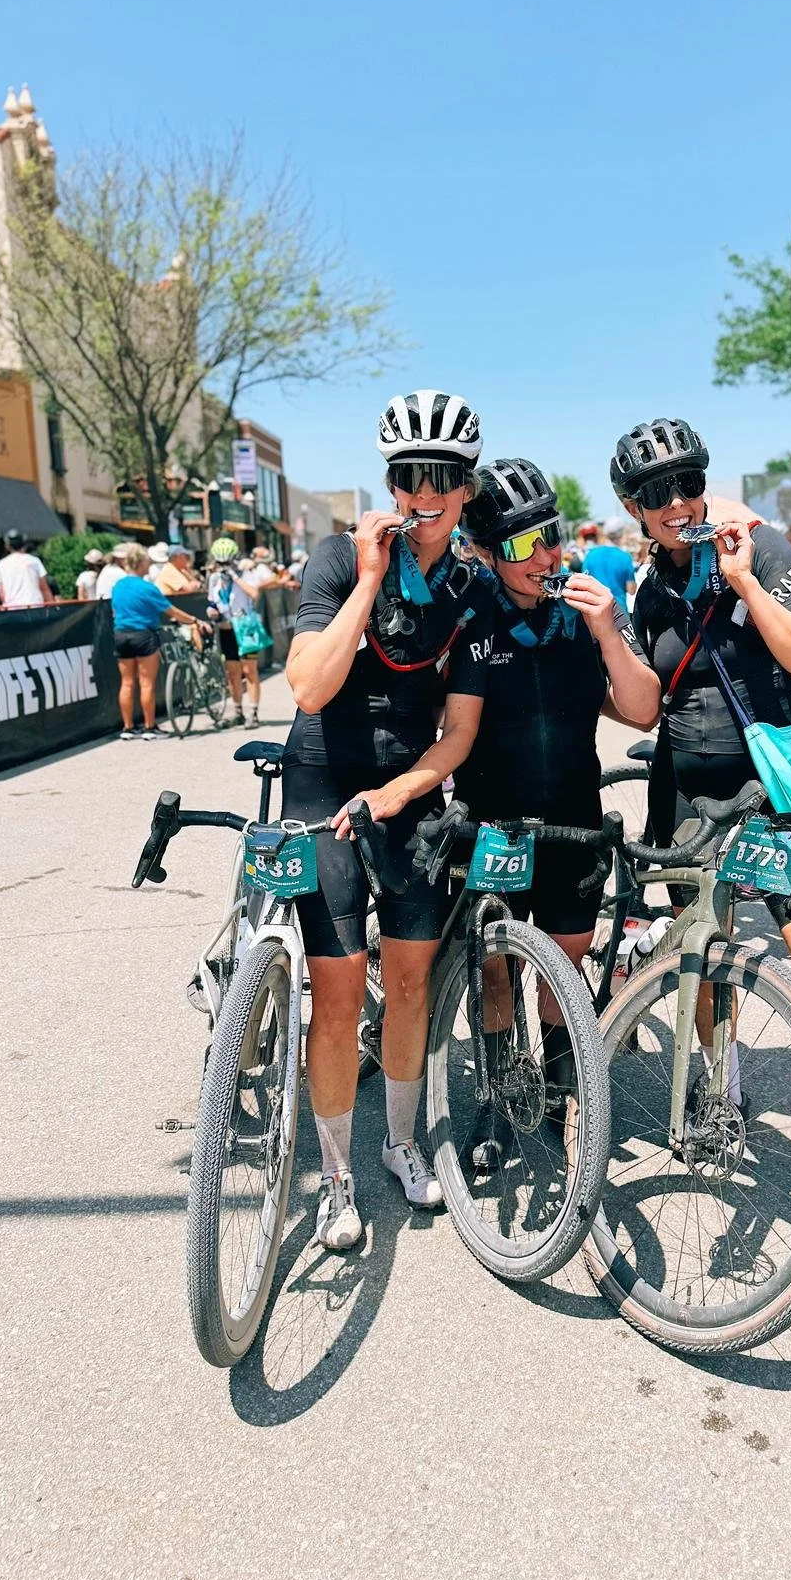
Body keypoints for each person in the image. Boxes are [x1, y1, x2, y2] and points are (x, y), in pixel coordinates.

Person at [612, 416, 791, 1230]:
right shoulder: (650, 587)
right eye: (657, 493)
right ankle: (722, 1092)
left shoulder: (761, 550)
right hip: (685, 792)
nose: (677, 503)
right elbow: (645, 701)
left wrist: (742, 583)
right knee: (703, 961)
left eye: (688, 484)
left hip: (777, 791)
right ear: (633, 507)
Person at [283, 390, 495, 1251]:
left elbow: (461, 733)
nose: (425, 491)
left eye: (442, 475)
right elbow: (308, 686)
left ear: (467, 487)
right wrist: (370, 579)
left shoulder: (471, 587)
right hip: (323, 779)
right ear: (392, 484)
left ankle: (400, 1143)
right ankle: (336, 1176)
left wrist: (401, 792)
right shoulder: (339, 558)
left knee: (409, 984)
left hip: (407, 788)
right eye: (410, 475)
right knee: (338, 992)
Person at [454, 458, 659, 1076]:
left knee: (562, 970)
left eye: (551, 536)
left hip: (573, 819)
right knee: (495, 968)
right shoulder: (468, 611)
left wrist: (607, 632)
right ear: (484, 552)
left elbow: (642, 711)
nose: (545, 556)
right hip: (491, 823)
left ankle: (562, 1097)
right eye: (523, 545)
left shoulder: (586, 606)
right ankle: (498, 1092)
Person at [110, 544, 203, 740]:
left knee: (127, 682)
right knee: (146, 683)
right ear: (140, 563)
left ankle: (127, 728)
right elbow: (172, 611)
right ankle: (149, 727)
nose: (149, 565)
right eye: (147, 562)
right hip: (143, 634)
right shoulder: (147, 588)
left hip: (121, 634)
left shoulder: (118, 586)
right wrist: (193, 620)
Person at [206, 537, 266, 728]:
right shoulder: (214, 578)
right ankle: (238, 711)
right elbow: (212, 602)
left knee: (250, 671)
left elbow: (254, 594)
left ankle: (253, 713)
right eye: (220, 562)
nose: (223, 566)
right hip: (227, 628)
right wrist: (211, 611)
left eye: (227, 562)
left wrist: (235, 576)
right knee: (233, 673)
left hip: (245, 627)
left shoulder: (245, 574)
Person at [582, 519, 638, 608]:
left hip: (596, 609)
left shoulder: (590, 554)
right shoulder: (625, 557)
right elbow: (631, 590)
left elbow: (584, 582)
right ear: (621, 534)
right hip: (619, 609)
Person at [0, 530, 53, 609]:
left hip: (13, 609)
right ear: (24, 544)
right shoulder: (34, 561)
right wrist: (53, 607)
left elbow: (2, 593)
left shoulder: (1, 565)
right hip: (35, 607)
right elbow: (44, 588)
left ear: (7, 546)